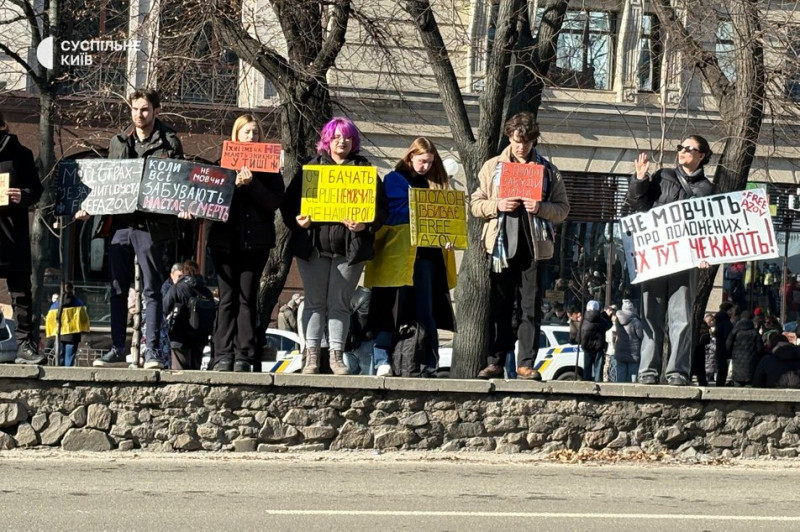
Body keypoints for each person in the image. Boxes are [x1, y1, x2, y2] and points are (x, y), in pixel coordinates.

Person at [76, 88, 183, 370]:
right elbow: (107, 181)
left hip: (151, 225)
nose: (139, 114)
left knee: (151, 289)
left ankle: (152, 352)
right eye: (135, 109)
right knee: (117, 288)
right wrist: (90, 207)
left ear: (156, 110)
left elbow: (178, 182)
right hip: (120, 223)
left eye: (145, 109)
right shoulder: (118, 141)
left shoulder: (169, 142)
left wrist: (183, 204)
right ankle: (116, 349)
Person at [281, 117, 387, 375]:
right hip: (313, 249)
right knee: (315, 303)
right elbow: (289, 205)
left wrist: (365, 225)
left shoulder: (365, 171)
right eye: (337, 136)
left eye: (348, 137)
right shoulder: (311, 169)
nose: (343, 141)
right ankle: (312, 356)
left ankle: (337, 357)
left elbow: (381, 209)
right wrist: (299, 222)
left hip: (349, 251)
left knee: (340, 304)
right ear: (327, 140)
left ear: (354, 142)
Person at [472, 112, 570, 380]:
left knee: (530, 308)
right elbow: (475, 204)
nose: (521, 147)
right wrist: (497, 205)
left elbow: (562, 210)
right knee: (500, 306)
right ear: (509, 137)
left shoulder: (549, 171)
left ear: (533, 141)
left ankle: (526, 363)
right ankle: (495, 361)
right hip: (501, 249)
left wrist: (541, 207)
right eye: (517, 141)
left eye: (526, 142)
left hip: (535, 249)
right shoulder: (492, 167)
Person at [625, 135, 715, 385]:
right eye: (681, 148)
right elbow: (639, 206)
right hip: (655, 258)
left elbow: (709, 227)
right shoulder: (663, 176)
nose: (683, 151)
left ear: (702, 155)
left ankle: (677, 371)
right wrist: (640, 179)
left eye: (689, 149)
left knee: (681, 319)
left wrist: (705, 252)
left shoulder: (707, 189)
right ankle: (648, 371)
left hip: (685, 261)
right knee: (650, 317)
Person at [364, 137, 456, 378]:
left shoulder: (437, 185)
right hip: (397, 254)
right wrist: (421, 210)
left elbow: (446, 220)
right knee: (391, 308)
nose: (425, 166)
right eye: (421, 160)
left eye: (429, 162)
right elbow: (390, 214)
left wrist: (447, 236)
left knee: (426, 312)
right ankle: (382, 358)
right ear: (410, 157)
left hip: (427, 256)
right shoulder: (395, 180)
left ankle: (429, 363)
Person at [208, 114, 285, 372]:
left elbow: (273, 203)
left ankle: (244, 355)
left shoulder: (270, 168)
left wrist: (251, 185)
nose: (252, 137)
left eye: (255, 133)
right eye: (247, 132)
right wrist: (234, 184)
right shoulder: (223, 165)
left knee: (247, 298)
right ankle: (222, 355)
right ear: (236, 136)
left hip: (256, 243)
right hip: (224, 243)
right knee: (227, 298)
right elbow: (212, 201)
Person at [0, 112, 44, 364]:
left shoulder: (20, 153)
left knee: (20, 291)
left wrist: (23, 195)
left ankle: (25, 345)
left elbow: (36, 189)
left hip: (12, 231)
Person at [163, 260, 214, 370]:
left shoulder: (177, 288)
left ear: (184, 271)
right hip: (200, 338)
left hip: (179, 337)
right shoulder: (206, 291)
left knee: (179, 374)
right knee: (196, 372)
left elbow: (165, 307)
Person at [44, 283, 90, 366]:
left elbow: (49, 320)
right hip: (73, 335)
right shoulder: (78, 303)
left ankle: (59, 377)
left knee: (59, 359)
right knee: (69, 359)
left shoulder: (55, 305)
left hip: (59, 335)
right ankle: (68, 377)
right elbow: (84, 319)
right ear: (73, 290)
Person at [726, 310, 763, 387]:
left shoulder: (735, 331)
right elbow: (760, 349)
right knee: (749, 384)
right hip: (751, 361)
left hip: (737, 360)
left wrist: (731, 354)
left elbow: (728, 345)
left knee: (737, 382)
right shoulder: (755, 332)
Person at [580, 300, 611, 382]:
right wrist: (604, 314)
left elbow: (580, 332)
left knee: (587, 368)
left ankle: (586, 386)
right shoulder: (601, 319)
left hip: (587, 347)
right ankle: (598, 386)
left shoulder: (584, 319)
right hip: (599, 347)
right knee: (598, 369)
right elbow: (609, 325)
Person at [614, 299, 642, 383]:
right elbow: (641, 335)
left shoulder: (617, 320)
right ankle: (632, 393)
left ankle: (619, 393)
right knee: (633, 375)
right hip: (633, 352)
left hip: (620, 350)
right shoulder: (636, 321)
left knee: (620, 375)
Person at [714, 302, 736, 386]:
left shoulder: (719, 320)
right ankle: (720, 385)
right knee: (723, 370)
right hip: (724, 348)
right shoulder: (726, 322)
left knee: (721, 369)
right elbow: (728, 336)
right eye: (731, 310)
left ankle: (719, 384)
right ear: (728, 310)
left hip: (720, 347)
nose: (732, 312)